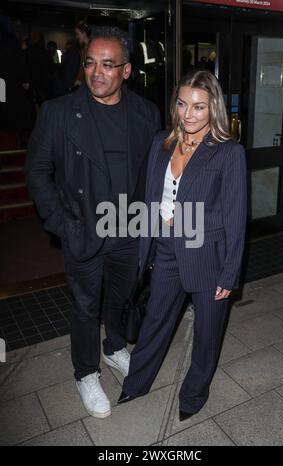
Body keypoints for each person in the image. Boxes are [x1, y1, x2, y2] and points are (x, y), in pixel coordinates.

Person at [25, 26, 161, 419]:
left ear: (127, 70)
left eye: (108, 65)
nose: (96, 73)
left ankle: (115, 345)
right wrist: (62, 223)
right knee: (86, 307)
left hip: (129, 231)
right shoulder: (58, 113)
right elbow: (37, 171)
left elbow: (153, 171)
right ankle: (85, 373)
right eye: (90, 63)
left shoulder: (145, 113)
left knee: (119, 298)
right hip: (83, 229)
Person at [118, 70, 247, 421]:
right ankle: (136, 382)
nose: (188, 114)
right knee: (155, 320)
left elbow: (236, 218)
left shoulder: (228, 153)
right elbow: (150, 200)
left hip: (208, 256)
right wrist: (148, 246)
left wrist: (230, 271)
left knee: (206, 334)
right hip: (166, 249)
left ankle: (194, 394)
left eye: (199, 107)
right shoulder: (162, 142)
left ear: (213, 109)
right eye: (182, 104)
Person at [74, 21, 91, 88]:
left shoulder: (93, 47)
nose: (76, 37)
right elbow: (83, 65)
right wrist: (78, 80)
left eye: (78, 34)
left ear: (84, 33)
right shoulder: (83, 48)